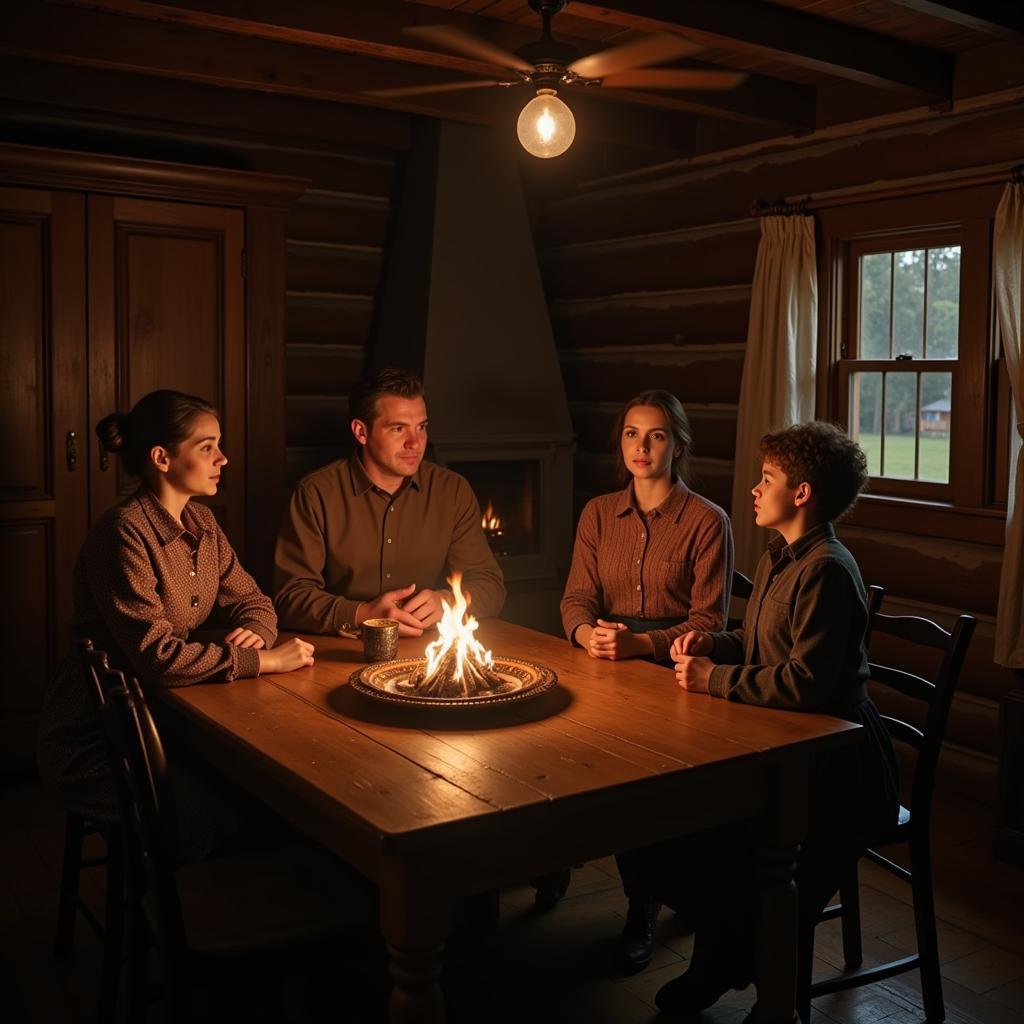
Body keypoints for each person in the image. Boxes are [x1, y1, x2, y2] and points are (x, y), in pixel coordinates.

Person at [646, 421, 899, 1015]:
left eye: (767, 479)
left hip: (840, 766)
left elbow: (806, 683)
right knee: (704, 835)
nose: (755, 490)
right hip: (789, 745)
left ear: (802, 493)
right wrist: (717, 647)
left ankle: (772, 992)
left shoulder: (828, 571)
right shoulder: (781, 558)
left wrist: (717, 682)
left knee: (760, 858)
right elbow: (761, 641)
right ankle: (718, 964)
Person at [37, 390, 314, 853]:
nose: (222, 458)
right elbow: (160, 659)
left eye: (219, 445)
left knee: (273, 792)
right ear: (162, 458)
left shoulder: (202, 523)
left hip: (164, 720)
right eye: (207, 447)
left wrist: (261, 634)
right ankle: (195, 918)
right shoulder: (122, 534)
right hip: (104, 742)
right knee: (255, 810)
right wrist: (263, 662)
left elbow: (256, 601)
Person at [556, 389, 734, 969]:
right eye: (632, 433)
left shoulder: (708, 520)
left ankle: (645, 902)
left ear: (677, 445)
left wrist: (642, 644)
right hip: (603, 660)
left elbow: (710, 621)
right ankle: (551, 856)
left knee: (643, 779)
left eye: (656, 435)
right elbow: (576, 599)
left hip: (673, 669)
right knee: (560, 744)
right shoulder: (598, 513)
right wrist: (589, 637)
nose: (642, 446)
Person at [274, 367, 505, 635]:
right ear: (361, 432)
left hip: (428, 651)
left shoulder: (451, 490)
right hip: (342, 650)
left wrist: (447, 602)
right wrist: (363, 614)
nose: (415, 443)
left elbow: (490, 585)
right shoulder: (315, 493)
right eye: (398, 429)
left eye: (421, 427)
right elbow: (290, 596)